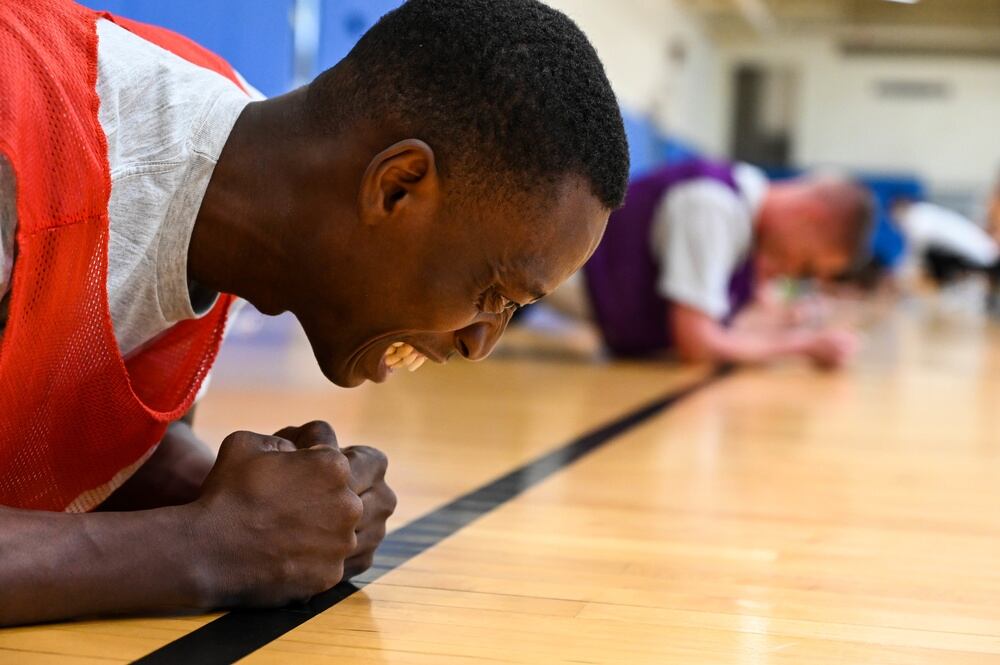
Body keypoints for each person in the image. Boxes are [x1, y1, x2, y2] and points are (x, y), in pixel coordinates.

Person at [0, 0, 628, 625]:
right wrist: (203, 547)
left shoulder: (239, 161)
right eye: (494, 293)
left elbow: (82, 439)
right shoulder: (22, 139)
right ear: (397, 187)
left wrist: (288, 512)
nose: (479, 344)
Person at [544, 158, 874, 368]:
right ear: (813, 218)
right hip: (541, 275)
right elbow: (697, 342)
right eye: (807, 265)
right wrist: (803, 346)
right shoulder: (714, 206)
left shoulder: (742, 223)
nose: (792, 271)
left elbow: (729, 326)